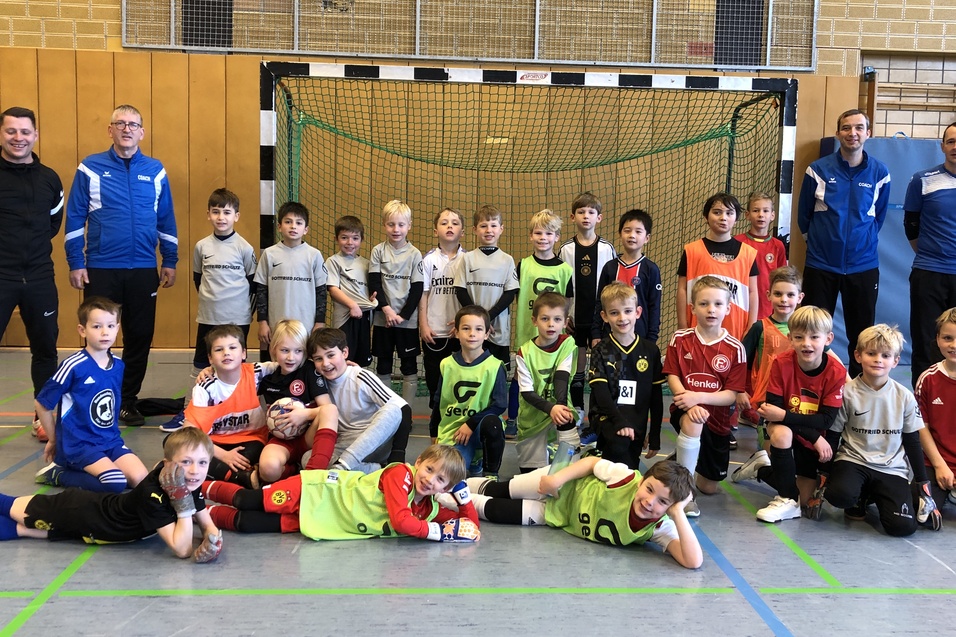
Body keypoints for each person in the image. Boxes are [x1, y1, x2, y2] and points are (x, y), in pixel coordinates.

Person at [65, 104, 178, 427]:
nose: (127, 129)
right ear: (110, 130)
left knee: (139, 336)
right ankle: (93, 398)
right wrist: (76, 261)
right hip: (101, 268)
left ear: (142, 132)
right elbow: (74, 217)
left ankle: (126, 401)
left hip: (143, 269)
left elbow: (165, 219)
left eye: (133, 124)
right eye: (120, 123)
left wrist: (169, 260)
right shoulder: (90, 168)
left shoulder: (155, 170)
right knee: (98, 337)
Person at [0, 428, 222, 562]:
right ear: (168, 464)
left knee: (22, 530)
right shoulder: (153, 493)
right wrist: (183, 505)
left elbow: (206, 524)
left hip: (98, 532)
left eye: (202, 463)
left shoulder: (189, 483)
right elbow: (182, 550)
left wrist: (212, 544)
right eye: (186, 462)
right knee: (9, 506)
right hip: (80, 510)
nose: (195, 470)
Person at [201, 444, 479, 544]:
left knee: (247, 523)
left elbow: (471, 529)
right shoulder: (401, 475)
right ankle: (196, 489)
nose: (430, 480)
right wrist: (441, 534)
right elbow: (401, 521)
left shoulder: (427, 509)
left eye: (441, 479)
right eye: (429, 469)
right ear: (418, 462)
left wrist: (463, 498)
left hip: (321, 519)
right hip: (316, 489)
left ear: (446, 488)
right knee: (246, 500)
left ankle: (200, 514)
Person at [812, 324, 941, 535]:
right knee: (840, 495)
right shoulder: (847, 392)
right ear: (858, 355)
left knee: (903, 528)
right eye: (871, 353)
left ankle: (874, 494)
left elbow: (912, 441)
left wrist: (923, 484)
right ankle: (859, 495)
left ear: (896, 361)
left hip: (891, 468)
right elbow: (834, 435)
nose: (878, 359)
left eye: (885, 355)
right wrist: (823, 476)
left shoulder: (904, 396)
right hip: (854, 461)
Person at [467, 457, 702, 569]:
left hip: (555, 514)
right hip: (561, 483)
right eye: (649, 489)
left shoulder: (658, 526)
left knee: (496, 511)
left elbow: (693, 562)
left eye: (662, 502)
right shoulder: (626, 477)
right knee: (501, 490)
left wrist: (679, 512)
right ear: (642, 481)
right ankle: (453, 482)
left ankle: (449, 497)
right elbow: (590, 463)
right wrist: (556, 479)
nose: (650, 502)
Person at [731, 306, 847, 523]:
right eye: (799, 337)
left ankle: (761, 469)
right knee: (782, 433)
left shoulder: (836, 372)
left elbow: (826, 420)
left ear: (828, 338)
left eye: (814, 337)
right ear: (790, 338)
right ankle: (786, 500)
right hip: (792, 432)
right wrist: (813, 435)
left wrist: (811, 435)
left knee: (806, 497)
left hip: (814, 435)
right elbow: (773, 414)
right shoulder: (781, 363)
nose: (807, 343)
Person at [798, 109, 890, 378]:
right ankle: (814, 385)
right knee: (813, 332)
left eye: (859, 128)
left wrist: (861, 243)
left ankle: (859, 390)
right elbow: (804, 217)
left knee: (862, 334)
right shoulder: (818, 169)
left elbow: (878, 217)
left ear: (868, 133)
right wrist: (820, 245)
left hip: (863, 266)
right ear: (838, 133)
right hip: (821, 265)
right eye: (847, 128)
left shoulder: (880, 172)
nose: (853, 133)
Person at [34, 297, 149, 493]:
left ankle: (96, 467)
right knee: (115, 483)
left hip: (110, 441)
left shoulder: (118, 365)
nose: (105, 332)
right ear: (82, 330)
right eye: (97, 326)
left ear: (118, 328)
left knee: (141, 480)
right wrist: (55, 441)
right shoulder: (73, 365)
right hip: (78, 445)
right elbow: (42, 404)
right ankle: (59, 474)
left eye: (111, 326)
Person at [0, 106, 64, 444]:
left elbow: (53, 222)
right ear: (2, 134)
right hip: (2, 276)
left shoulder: (50, 179)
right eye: (11, 131)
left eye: (25, 132)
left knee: (45, 350)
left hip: (39, 276)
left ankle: (43, 415)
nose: (18, 138)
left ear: (35, 135)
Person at [664, 276, 747, 517]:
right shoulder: (680, 339)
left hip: (718, 420)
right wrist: (687, 401)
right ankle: (685, 495)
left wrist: (697, 397)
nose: (711, 309)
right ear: (693, 308)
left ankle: (678, 461)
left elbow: (731, 395)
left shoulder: (735, 348)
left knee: (710, 487)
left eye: (718, 304)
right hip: (686, 411)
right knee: (693, 420)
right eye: (704, 304)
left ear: (728, 309)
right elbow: (672, 375)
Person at [184, 324, 280, 488]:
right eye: (219, 349)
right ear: (210, 358)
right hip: (214, 443)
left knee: (254, 453)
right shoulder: (205, 387)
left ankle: (211, 472)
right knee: (181, 445)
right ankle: (240, 477)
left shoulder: (257, 371)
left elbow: (287, 363)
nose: (226, 352)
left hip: (250, 440)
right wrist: (224, 456)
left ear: (243, 353)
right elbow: (190, 432)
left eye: (232, 347)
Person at [507, 209, 574, 439]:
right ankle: (513, 419)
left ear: (557, 237)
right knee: (520, 376)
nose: (543, 237)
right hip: (528, 332)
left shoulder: (565, 269)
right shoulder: (523, 265)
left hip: (555, 337)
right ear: (530, 236)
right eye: (538, 233)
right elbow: (515, 297)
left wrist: (564, 322)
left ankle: (557, 413)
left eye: (549, 233)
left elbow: (568, 299)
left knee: (555, 374)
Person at [309, 327, 412, 473]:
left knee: (393, 409)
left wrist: (397, 456)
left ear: (345, 353)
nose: (325, 363)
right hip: (345, 443)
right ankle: (377, 470)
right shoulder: (317, 383)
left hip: (375, 443)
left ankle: (343, 465)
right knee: (307, 458)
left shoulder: (360, 376)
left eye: (331, 355)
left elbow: (404, 409)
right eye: (318, 359)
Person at [588, 282, 664, 469]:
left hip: (636, 420)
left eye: (627, 311)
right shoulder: (601, 350)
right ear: (604, 317)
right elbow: (601, 394)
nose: (622, 318)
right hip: (607, 416)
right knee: (619, 446)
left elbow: (656, 397)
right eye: (614, 313)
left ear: (637, 312)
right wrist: (620, 422)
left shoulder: (650, 350)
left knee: (629, 466)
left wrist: (654, 434)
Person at [904, 122, 956, 387]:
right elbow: (911, 225)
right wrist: (931, 254)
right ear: (942, 146)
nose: (955, 146)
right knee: (927, 341)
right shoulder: (921, 179)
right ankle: (921, 408)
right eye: (951, 141)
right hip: (929, 273)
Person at [428, 305, 507, 479]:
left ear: (486, 334)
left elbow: (500, 404)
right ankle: (470, 460)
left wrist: (471, 424)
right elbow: (438, 401)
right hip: (454, 432)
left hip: (480, 429)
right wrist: (434, 433)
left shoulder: (494, 366)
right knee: (446, 479)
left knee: (493, 423)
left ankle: (490, 474)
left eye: (478, 329)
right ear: (456, 332)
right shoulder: (446, 364)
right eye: (466, 328)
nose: (472, 334)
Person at [257, 319, 339, 483]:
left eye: (298, 351)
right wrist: (212, 369)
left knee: (330, 410)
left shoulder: (309, 370)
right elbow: (235, 375)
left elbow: (327, 409)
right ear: (274, 349)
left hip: (309, 437)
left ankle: (311, 478)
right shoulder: (266, 378)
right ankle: (293, 470)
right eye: (285, 350)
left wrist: (304, 414)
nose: (290, 357)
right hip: (282, 440)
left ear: (305, 353)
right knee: (267, 469)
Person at [677, 192, 759, 341]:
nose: (723, 218)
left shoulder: (748, 253)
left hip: (736, 330)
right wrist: (683, 324)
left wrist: (751, 327)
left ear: (736, 218)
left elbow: (753, 292)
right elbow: (682, 289)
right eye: (717, 212)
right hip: (697, 329)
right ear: (706, 217)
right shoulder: (691, 251)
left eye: (729, 213)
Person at [191, 187, 256, 375]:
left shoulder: (244, 248)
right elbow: (198, 280)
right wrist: (211, 301)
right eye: (216, 212)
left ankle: (237, 401)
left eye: (227, 212)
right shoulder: (201, 247)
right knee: (203, 363)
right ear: (208, 214)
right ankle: (198, 401)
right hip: (208, 316)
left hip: (237, 318)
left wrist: (245, 312)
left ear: (236, 216)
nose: (221, 217)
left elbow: (253, 284)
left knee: (234, 363)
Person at [514, 293, 579, 472]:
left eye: (557, 319)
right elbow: (526, 393)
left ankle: (566, 456)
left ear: (565, 323)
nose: (551, 324)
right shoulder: (524, 352)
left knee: (566, 418)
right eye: (545, 319)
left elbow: (562, 376)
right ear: (534, 321)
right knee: (530, 474)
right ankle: (544, 452)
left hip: (558, 406)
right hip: (533, 416)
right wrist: (550, 408)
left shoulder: (567, 343)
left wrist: (559, 407)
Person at [254, 201, 327, 359]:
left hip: (306, 325)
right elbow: (261, 291)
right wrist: (263, 322)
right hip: (277, 325)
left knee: (304, 364)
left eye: (298, 223)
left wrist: (319, 323)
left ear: (306, 229)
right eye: (288, 222)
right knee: (280, 363)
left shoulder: (314, 255)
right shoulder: (269, 254)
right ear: (279, 226)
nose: (293, 226)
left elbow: (321, 292)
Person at [737, 266, 805, 434]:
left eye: (790, 295)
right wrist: (739, 391)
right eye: (778, 294)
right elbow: (739, 362)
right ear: (768, 295)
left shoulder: (806, 330)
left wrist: (850, 385)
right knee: (767, 449)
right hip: (766, 398)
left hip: (797, 397)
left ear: (800, 297)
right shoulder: (759, 328)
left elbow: (829, 357)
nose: (784, 299)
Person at [368, 199, 424, 406]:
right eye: (391, 224)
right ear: (384, 224)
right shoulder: (378, 251)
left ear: (409, 225)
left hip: (406, 322)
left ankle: (406, 412)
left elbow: (417, 289)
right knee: (383, 365)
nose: (396, 229)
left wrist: (403, 315)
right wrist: (387, 309)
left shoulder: (415, 254)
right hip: (383, 320)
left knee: (409, 366)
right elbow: (374, 282)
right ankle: (388, 411)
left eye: (401, 224)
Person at [419, 207, 466, 440]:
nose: (449, 226)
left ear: (463, 231)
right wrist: (423, 326)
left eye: (455, 223)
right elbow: (423, 295)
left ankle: (457, 427)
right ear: (435, 229)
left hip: (459, 334)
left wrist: (463, 326)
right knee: (435, 383)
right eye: (444, 222)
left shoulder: (468, 259)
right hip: (434, 332)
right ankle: (435, 432)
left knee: (457, 383)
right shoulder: (428, 260)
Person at [454, 205, 519, 371]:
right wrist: (479, 320)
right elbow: (460, 291)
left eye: (493, 225)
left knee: (498, 373)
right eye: (483, 226)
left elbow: (510, 293)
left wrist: (488, 317)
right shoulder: (467, 259)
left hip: (497, 330)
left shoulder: (507, 260)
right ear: (475, 229)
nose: (488, 230)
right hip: (474, 330)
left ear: (501, 229)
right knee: (474, 370)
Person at [591, 208, 662, 345]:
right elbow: (599, 302)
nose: (632, 235)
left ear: (647, 238)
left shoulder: (651, 269)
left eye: (638, 231)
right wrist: (595, 333)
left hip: (641, 337)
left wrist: (651, 339)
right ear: (620, 234)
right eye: (627, 230)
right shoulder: (610, 267)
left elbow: (654, 307)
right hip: (609, 336)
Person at [915, 308, 956, 510]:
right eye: (948, 338)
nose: (954, 345)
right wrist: (940, 465)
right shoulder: (927, 379)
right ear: (938, 339)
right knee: (920, 509)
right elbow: (922, 427)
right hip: (936, 462)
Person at [325, 215, 377, 367]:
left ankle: (357, 390)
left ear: (361, 239)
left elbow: (369, 290)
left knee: (361, 362)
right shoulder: (333, 261)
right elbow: (333, 289)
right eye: (344, 238)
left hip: (364, 318)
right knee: (344, 359)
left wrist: (372, 297)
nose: (350, 243)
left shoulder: (367, 263)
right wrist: (352, 305)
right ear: (336, 239)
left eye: (355, 238)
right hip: (345, 318)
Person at [735, 191, 788, 321]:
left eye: (765, 211)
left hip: (767, 308)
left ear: (772, 215)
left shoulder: (778, 245)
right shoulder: (738, 242)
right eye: (755, 210)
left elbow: (783, 279)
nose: (761, 215)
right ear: (747, 215)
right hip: (742, 305)